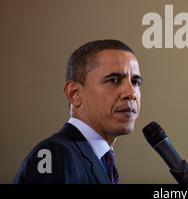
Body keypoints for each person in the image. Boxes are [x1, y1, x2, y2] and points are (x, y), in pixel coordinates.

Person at [12, 39, 143, 184]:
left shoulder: (102, 160)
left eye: (135, 82)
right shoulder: (53, 155)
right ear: (74, 93)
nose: (131, 93)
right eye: (114, 80)